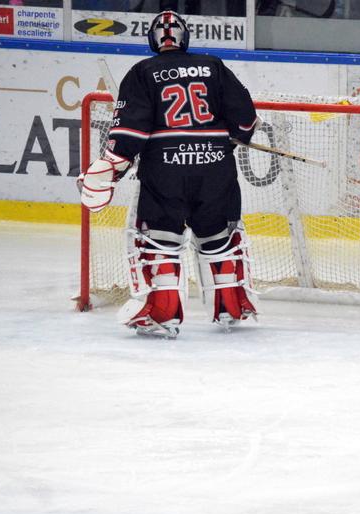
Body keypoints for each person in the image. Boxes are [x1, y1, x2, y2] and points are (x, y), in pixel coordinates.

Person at [78, 10, 259, 338]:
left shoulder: (142, 71)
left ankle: (162, 314)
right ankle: (231, 307)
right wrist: (235, 137)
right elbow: (245, 117)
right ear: (184, 38)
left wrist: (113, 165)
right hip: (216, 167)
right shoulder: (213, 66)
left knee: (160, 239)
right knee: (219, 237)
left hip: (165, 168)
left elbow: (130, 130)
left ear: (153, 41)